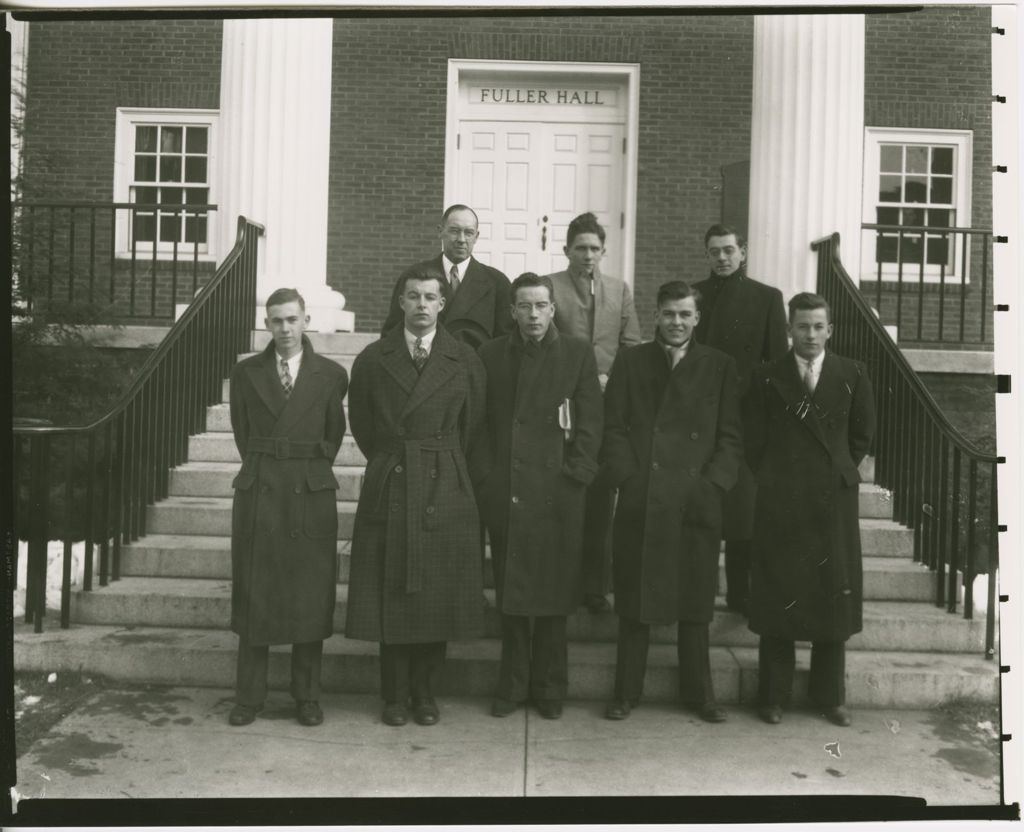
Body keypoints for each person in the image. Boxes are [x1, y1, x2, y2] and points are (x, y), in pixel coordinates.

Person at [346, 266, 487, 727]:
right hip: (394, 478)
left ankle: (425, 693)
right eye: (413, 296)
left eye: (431, 297)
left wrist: (441, 462)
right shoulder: (372, 358)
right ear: (400, 303)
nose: (422, 305)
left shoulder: (463, 358)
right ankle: (393, 695)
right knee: (394, 592)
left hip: (444, 479)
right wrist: (395, 462)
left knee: (436, 593)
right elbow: (365, 427)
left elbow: (472, 425)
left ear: (443, 304)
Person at [602, 280, 742, 723]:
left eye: (685, 314)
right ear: (656, 315)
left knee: (695, 605)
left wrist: (712, 486)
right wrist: (629, 478)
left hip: (695, 500)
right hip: (644, 497)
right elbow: (614, 429)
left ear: (697, 318)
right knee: (634, 604)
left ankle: (699, 695)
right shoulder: (631, 361)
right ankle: (626, 692)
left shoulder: (719, 366)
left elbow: (731, 437)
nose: (676, 322)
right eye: (668, 314)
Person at [745, 292, 876, 727]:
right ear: (789, 329)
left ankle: (829, 696)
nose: (811, 335)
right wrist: (780, 478)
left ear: (830, 330)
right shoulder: (767, 377)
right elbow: (754, 441)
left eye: (819, 326)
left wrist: (833, 472)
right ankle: (773, 695)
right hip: (782, 502)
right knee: (780, 596)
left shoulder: (852, 374)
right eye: (803, 326)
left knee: (831, 601)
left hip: (830, 502)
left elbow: (860, 437)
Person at [477, 273, 604, 719]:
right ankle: (511, 686)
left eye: (541, 306)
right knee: (512, 597)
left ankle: (550, 687)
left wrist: (577, 475)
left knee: (553, 596)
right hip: (508, 490)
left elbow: (590, 422)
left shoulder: (575, 353)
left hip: (558, 493)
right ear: (512, 311)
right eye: (524, 307)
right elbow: (479, 424)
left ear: (553, 310)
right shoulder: (491, 355)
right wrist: (489, 477)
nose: (533, 315)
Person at [227, 288, 349, 727]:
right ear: (266, 323)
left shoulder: (331, 375)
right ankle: (249, 696)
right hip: (261, 490)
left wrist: (302, 468)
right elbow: (243, 432)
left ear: (306, 320)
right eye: (275, 321)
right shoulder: (246, 374)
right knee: (256, 594)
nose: (284, 329)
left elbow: (333, 435)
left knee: (308, 597)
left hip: (308, 493)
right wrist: (270, 462)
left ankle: (307, 696)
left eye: (292, 320)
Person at [546, 211, 642, 613]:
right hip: (561, 404)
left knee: (601, 498)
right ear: (567, 249)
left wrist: (613, 381)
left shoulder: (619, 290)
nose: (588, 255)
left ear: (604, 251)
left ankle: (594, 587)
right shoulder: (549, 287)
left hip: (606, 407)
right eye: (580, 248)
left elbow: (632, 343)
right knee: (562, 495)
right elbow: (544, 340)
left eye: (595, 249)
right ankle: (560, 582)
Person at [692, 223, 788, 616]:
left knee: (742, 510)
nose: (722, 258)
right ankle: (699, 590)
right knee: (701, 504)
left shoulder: (766, 298)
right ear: (707, 255)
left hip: (746, 414)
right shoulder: (694, 295)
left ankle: (739, 592)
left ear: (743, 252)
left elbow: (778, 363)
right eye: (714, 251)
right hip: (699, 412)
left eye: (729, 250)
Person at [381, 204, 513, 349]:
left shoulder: (497, 282)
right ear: (440, 231)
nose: (461, 239)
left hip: (475, 368)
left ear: (476, 237)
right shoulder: (414, 278)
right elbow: (392, 333)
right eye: (454, 231)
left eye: (468, 232)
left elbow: (505, 344)